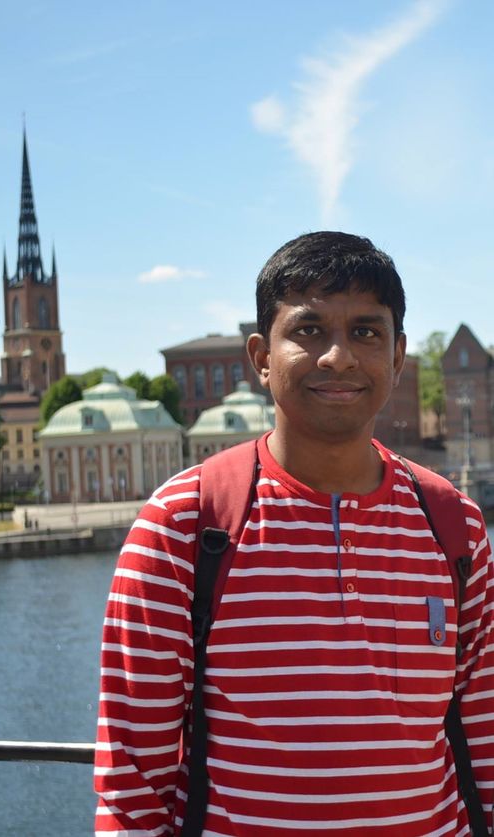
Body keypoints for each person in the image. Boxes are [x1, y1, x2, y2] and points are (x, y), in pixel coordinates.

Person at [94, 232, 494, 835]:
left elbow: (485, 742)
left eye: (365, 331)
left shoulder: (454, 525)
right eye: (309, 330)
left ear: (398, 355)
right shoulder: (185, 524)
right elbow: (132, 785)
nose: (339, 357)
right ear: (260, 356)